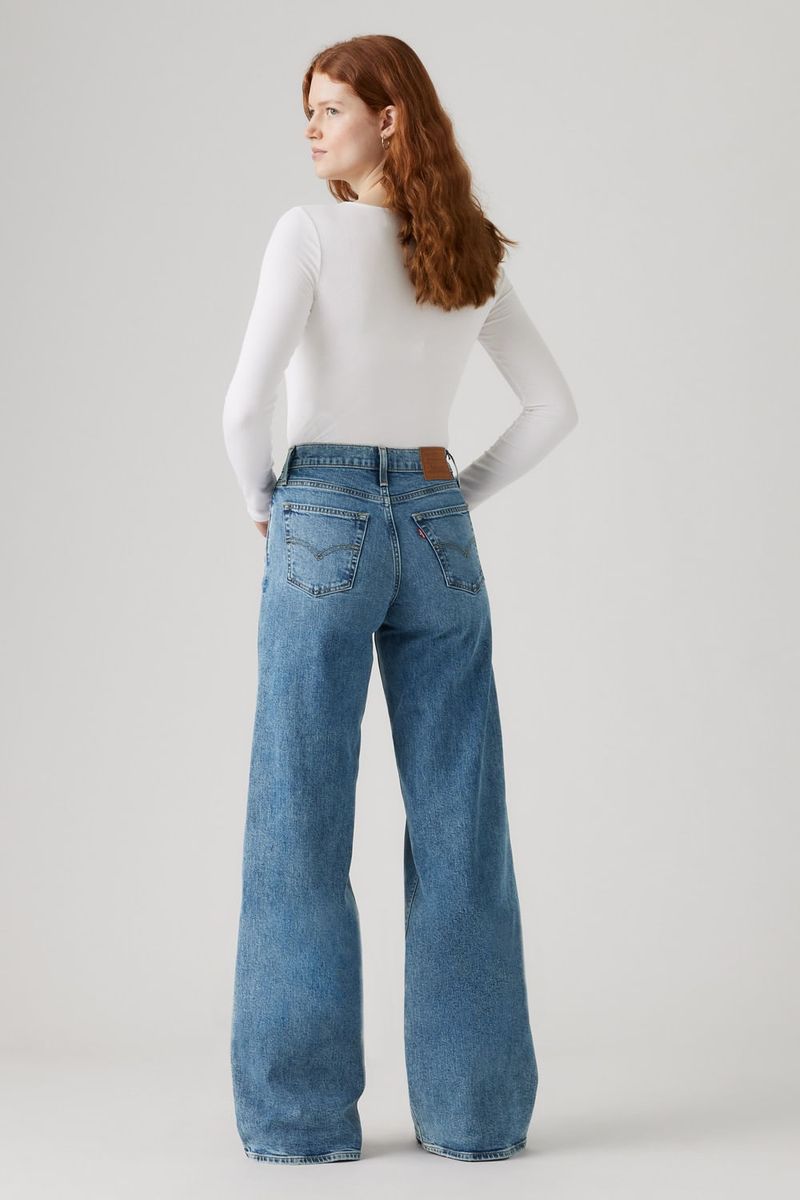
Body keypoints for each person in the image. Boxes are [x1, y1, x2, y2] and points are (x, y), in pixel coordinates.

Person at [223, 34, 578, 1166]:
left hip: (319, 512)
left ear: (389, 119)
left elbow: (242, 412)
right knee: (463, 827)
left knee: (298, 824)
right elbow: (552, 406)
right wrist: (449, 496)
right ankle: (476, 1119)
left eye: (331, 108)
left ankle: (298, 1122)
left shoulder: (308, 233)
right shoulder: (469, 250)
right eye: (309, 109)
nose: (312, 127)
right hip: (435, 523)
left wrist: (264, 505)